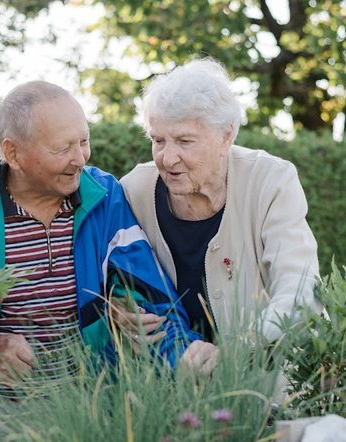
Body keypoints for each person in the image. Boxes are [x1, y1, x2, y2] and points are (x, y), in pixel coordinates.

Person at [0, 80, 214, 442]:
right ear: (12, 152)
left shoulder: (104, 196)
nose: (80, 159)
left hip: (90, 413)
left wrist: (182, 350)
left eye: (84, 142)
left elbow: (152, 301)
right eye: (63, 149)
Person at [119, 58, 319, 347]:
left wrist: (232, 354)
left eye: (185, 141)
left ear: (226, 136)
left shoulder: (271, 181)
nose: (167, 157)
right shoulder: (134, 190)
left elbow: (299, 289)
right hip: (172, 383)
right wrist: (118, 310)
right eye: (158, 140)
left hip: (265, 378)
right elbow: (109, 278)